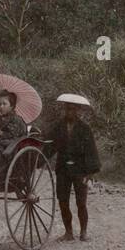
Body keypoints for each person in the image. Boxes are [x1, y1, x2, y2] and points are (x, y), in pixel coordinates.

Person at [46, 93, 101, 241]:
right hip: (63, 168)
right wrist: (39, 157)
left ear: (78, 111)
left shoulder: (85, 129)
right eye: (68, 109)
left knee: (81, 202)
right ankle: (68, 232)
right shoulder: (58, 127)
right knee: (62, 200)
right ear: (65, 110)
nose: (70, 112)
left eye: (73, 109)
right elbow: (49, 146)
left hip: (80, 169)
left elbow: (91, 151)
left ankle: (83, 232)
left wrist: (90, 173)